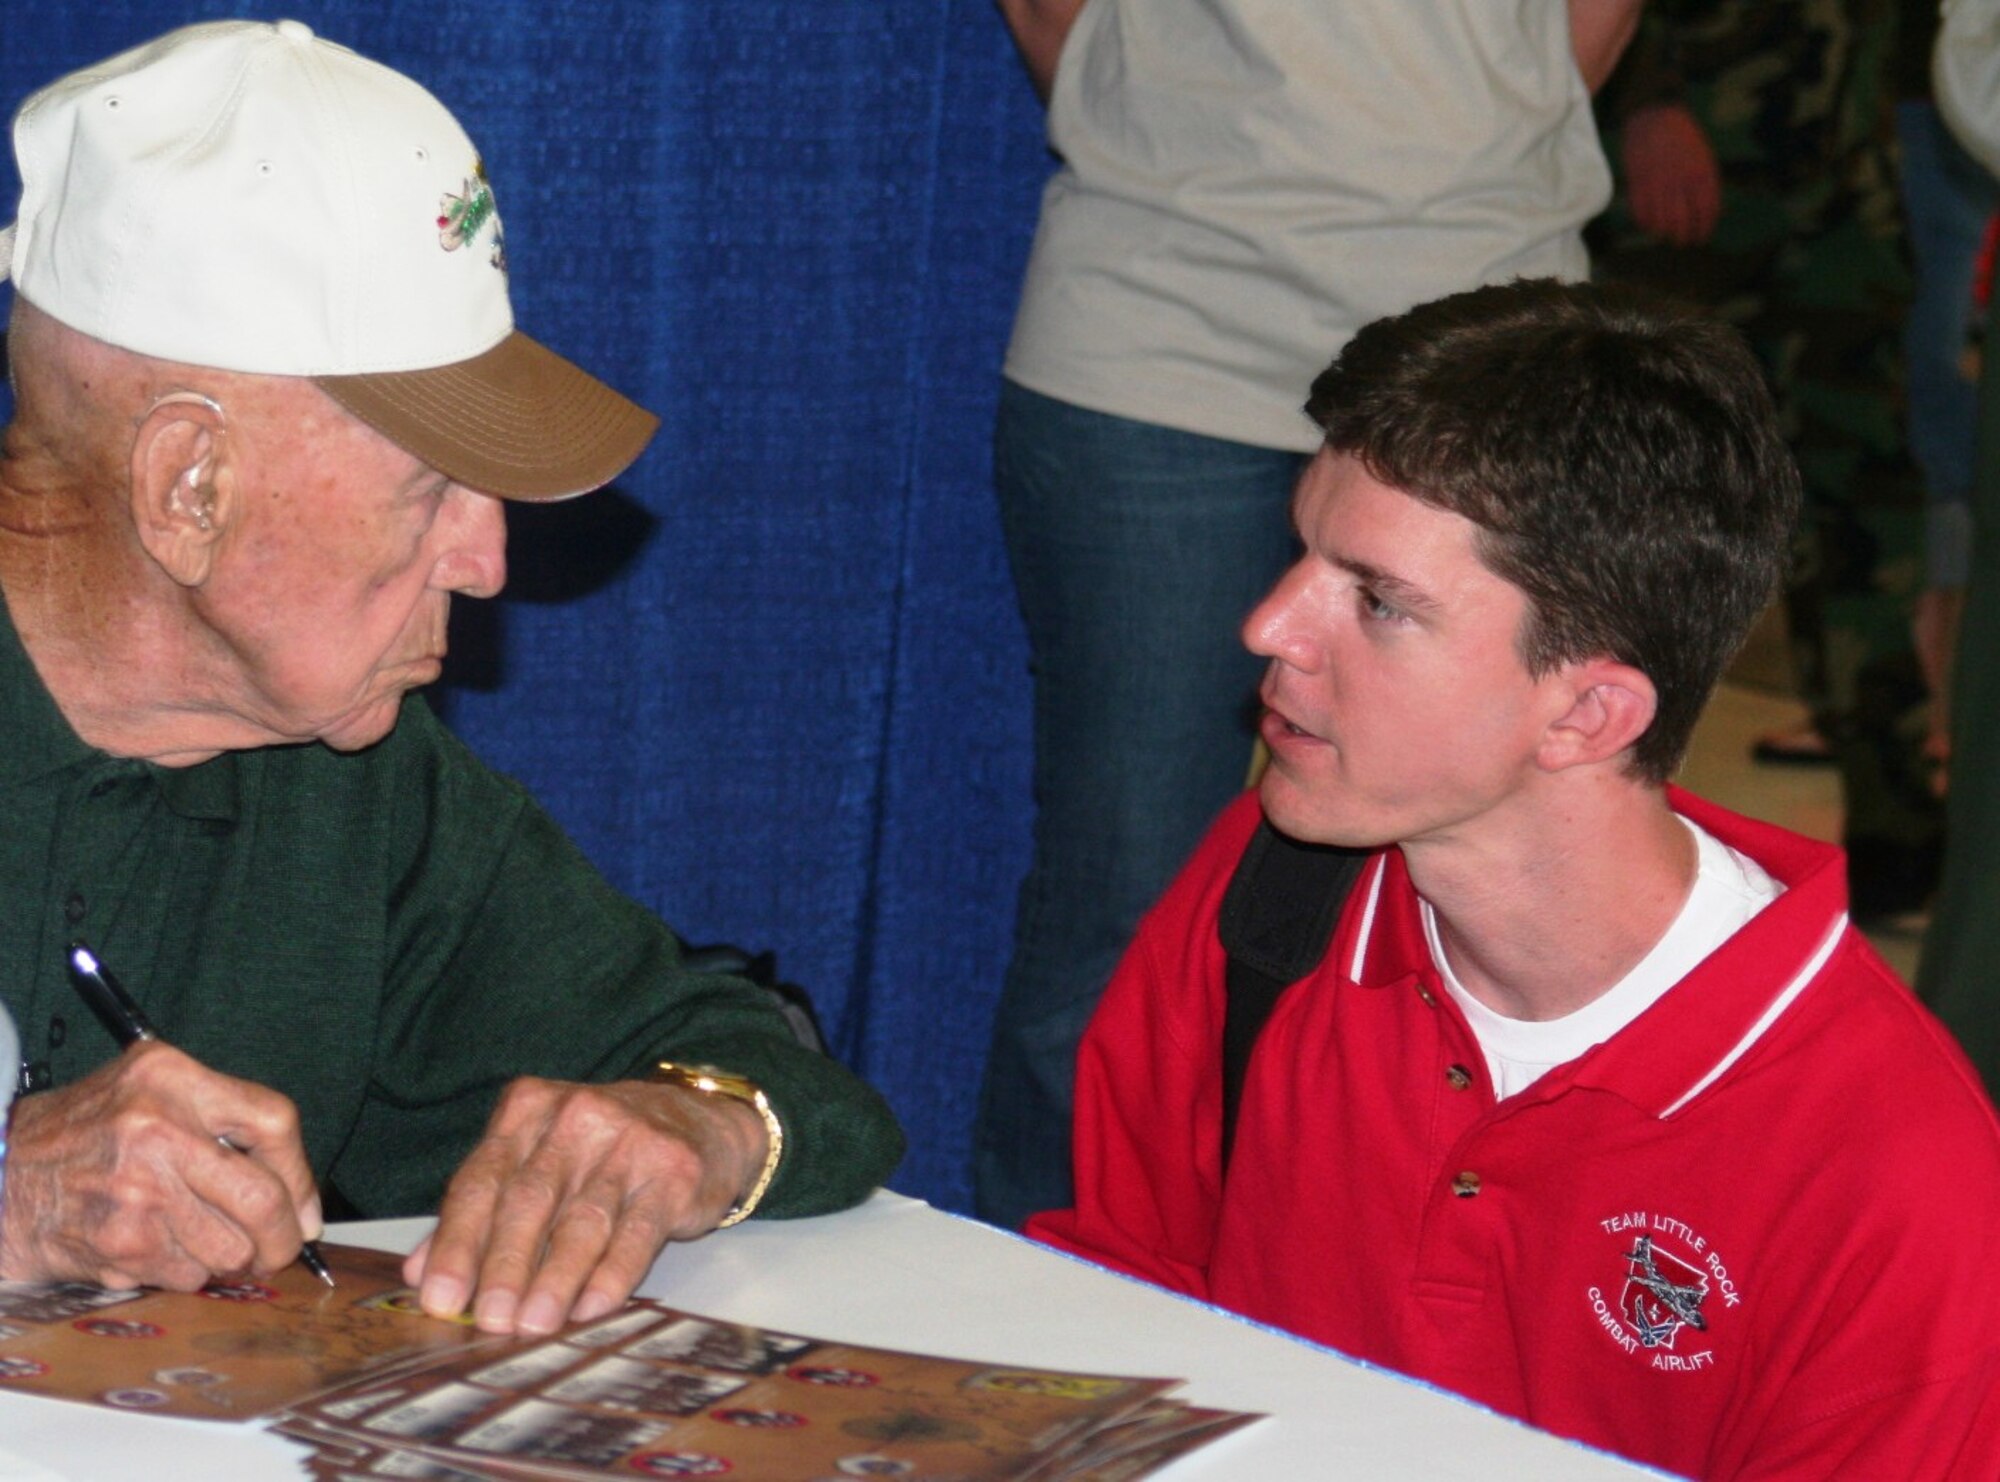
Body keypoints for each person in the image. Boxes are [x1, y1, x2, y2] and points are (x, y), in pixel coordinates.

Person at [0, 21, 902, 1336]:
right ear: (185, 485)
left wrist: (684, 1129)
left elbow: (758, 1065)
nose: (488, 560)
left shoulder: (353, 783)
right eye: (431, 487)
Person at [1031, 280, 2000, 1477]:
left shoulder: (1893, 1172)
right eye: (1302, 556)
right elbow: (1123, 1327)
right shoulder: (1267, 895)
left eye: (1376, 601)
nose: (1270, 626)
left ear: (1587, 712)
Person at [975, 0, 1644, 1232]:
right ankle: (1048, 1317)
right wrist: (1165, 124)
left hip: (1487, 317)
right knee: (1123, 895)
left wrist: (1484, 119)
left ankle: (1447, 1302)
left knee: (1514, 883)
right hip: (1160, 324)